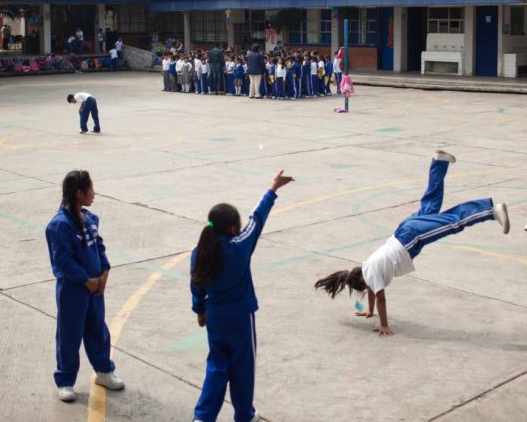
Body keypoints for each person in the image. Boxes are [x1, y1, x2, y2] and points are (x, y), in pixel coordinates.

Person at [315, 151, 511, 336]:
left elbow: (380, 297)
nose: (369, 291)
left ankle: (490, 210)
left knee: (451, 223)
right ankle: (439, 162)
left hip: (410, 240)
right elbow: (373, 293)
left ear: (361, 282)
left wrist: (383, 324)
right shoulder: (367, 268)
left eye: (365, 289)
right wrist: (370, 311)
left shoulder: (372, 275)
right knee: (430, 206)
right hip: (402, 232)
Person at [191, 170, 294, 422]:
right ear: (233, 228)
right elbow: (256, 220)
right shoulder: (239, 247)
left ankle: (203, 417)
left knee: (216, 367)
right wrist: (272, 190)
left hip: (215, 317)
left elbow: (196, 285)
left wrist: (200, 310)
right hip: (240, 318)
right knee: (242, 369)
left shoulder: (199, 252)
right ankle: (244, 415)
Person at [46, 170, 124, 402]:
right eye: (90, 189)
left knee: (97, 329)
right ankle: (66, 380)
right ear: (79, 193)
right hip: (74, 290)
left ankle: (103, 370)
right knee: (70, 335)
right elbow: (63, 261)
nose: (93, 193)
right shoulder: (59, 226)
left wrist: (104, 272)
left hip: (95, 287)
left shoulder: (89, 219)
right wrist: (85, 279)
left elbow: (99, 246)